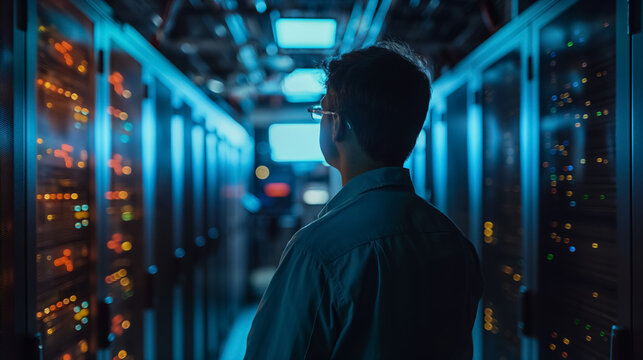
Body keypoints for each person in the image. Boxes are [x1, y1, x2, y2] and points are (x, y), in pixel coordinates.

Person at [244, 42, 483, 360]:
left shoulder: (317, 251)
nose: (321, 120)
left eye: (322, 111)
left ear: (338, 125)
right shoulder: (453, 241)